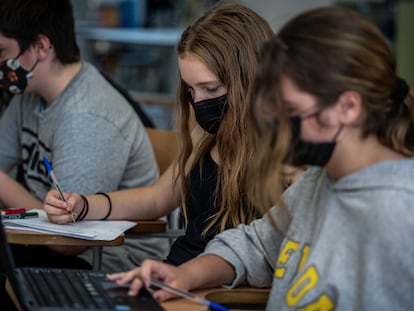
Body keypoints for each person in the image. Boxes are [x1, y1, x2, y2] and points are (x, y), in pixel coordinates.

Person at [107, 6, 414, 310]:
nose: (276, 123)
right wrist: (184, 274)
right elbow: (256, 244)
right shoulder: (321, 180)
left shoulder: (399, 214)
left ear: (348, 107)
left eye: (291, 111)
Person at [44, 3, 291, 266]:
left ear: (250, 79)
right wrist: (84, 205)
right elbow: (155, 199)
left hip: (213, 292)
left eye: (210, 88)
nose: (198, 102)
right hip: (173, 278)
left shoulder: (287, 155)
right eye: (190, 90)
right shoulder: (206, 136)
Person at [0, 0, 168, 272]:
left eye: (2, 52)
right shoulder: (29, 95)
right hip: (48, 241)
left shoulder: (87, 115)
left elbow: (69, 242)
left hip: (112, 264)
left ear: (41, 47)